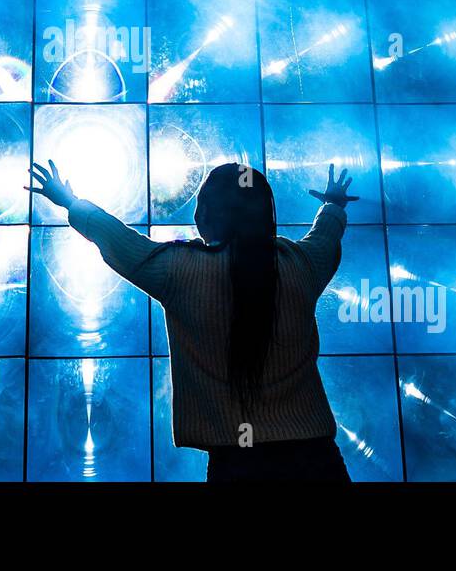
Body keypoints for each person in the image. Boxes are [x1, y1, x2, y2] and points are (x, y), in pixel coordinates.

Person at [27, 159, 358, 482]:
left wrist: (69, 201)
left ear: (204, 214)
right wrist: (333, 204)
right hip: (317, 459)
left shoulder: (179, 269)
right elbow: (325, 238)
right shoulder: (300, 265)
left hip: (237, 462)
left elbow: (117, 239)